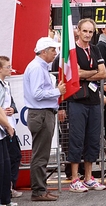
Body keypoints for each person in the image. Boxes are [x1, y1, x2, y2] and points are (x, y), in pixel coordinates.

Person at [23, 37, 66, 201]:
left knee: (41, 154)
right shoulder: (36, 68)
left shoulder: (39, 67)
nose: (55, 53)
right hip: (40, 113)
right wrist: (57, 91)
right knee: (40, 155)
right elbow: (37, 94)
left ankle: (41, 189)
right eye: (53, 50)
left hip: (42, 113)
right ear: (43, 51)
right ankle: (38, 191)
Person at [68, 18, 106, 192]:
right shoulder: (72, 50)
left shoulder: (96, 49)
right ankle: (75, 177)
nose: (88, 34)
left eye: (90, 31)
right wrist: (92, 74)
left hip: (94, 100)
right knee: (77, 138)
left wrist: (85, 75)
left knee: (93, 138)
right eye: (85, 31)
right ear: (78, 30)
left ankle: (89, 177)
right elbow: (74, 74)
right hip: (77, 101)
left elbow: (103, 73)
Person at [0, 56, 22, 198]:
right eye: (8, 67)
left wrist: (12, 109)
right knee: (6, 161)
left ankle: (9, 187)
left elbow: (12, 103)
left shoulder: (6, 85)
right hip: (4, 127)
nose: (10, 69)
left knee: (14, 157)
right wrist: (7, 125)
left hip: (9, 125)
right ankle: (6, 190)